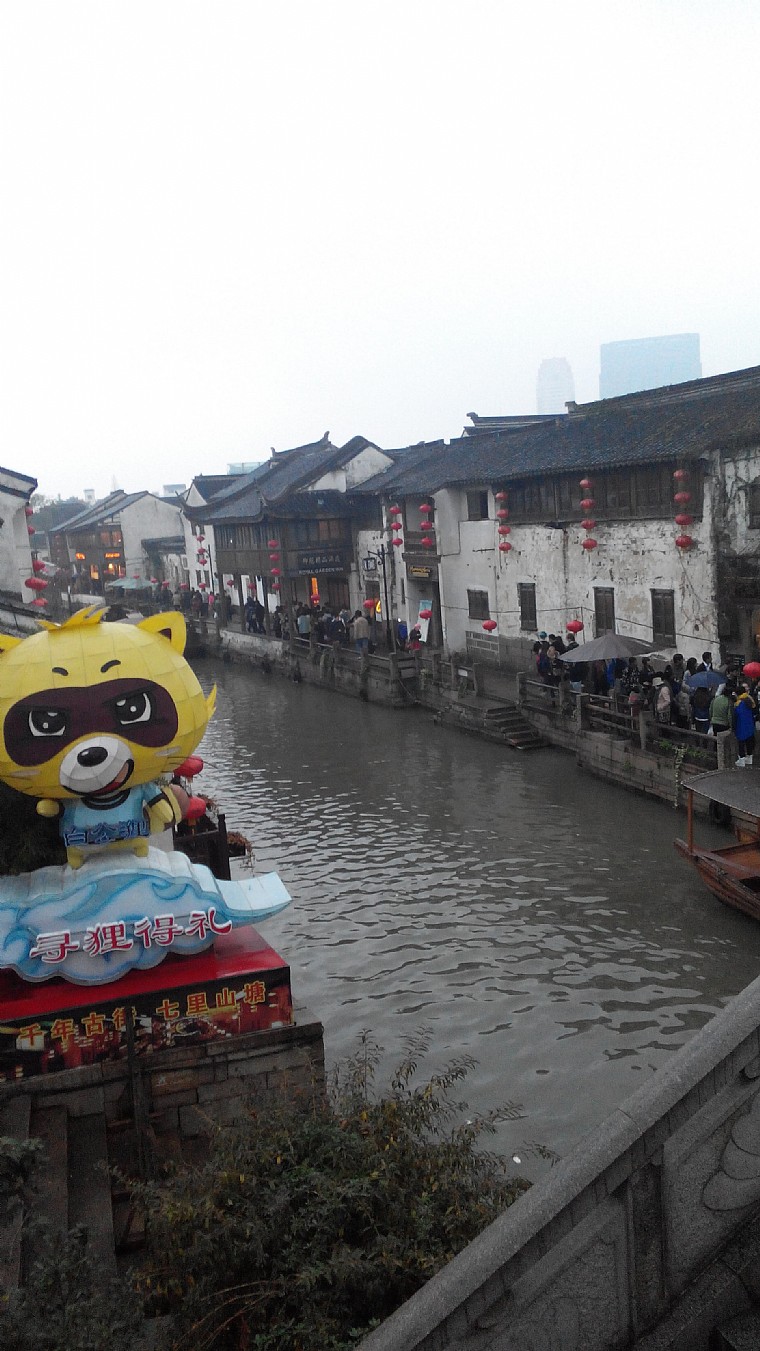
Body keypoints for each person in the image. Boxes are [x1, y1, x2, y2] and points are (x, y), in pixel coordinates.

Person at [734, 684, 757, 767]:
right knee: (749, 741)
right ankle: (749, 758)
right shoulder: (749, 699)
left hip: (741, 725)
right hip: (750, 724)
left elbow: (736, 716)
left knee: (741, 743)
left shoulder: (739, 703)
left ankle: (742, 760)